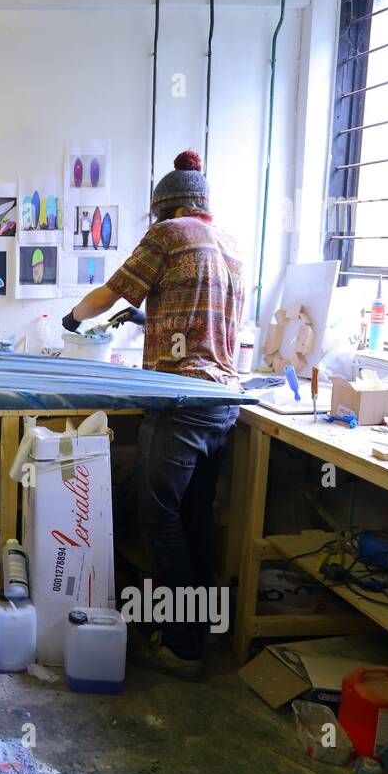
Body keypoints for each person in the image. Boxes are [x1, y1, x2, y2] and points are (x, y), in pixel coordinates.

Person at [61, 150, 245, 680]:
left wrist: (74, 320)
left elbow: (110, 290)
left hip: (182, 401)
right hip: (223, 403)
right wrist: (150, 316)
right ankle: (201, 634)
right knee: (195, 516)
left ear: (163, 208)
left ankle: (182, 645)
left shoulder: (169, 233)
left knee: (157, 515)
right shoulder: (228, 242)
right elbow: (203, 317)